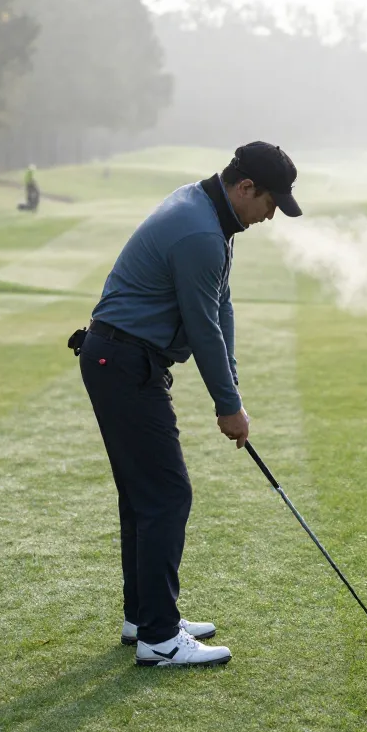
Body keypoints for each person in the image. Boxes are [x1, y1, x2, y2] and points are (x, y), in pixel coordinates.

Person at [70, 142, 302, 668]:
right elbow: (201, 329)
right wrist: (228, 408)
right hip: (124, 364)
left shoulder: (210, 212)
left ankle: (145, 616)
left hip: (121, 360)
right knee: (167, 495)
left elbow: (221, 307)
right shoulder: (201, 232)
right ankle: (159, 636)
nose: (271, 215)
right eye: (270, 202)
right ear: (246, 188)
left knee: (145, 496)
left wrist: (233, 394)